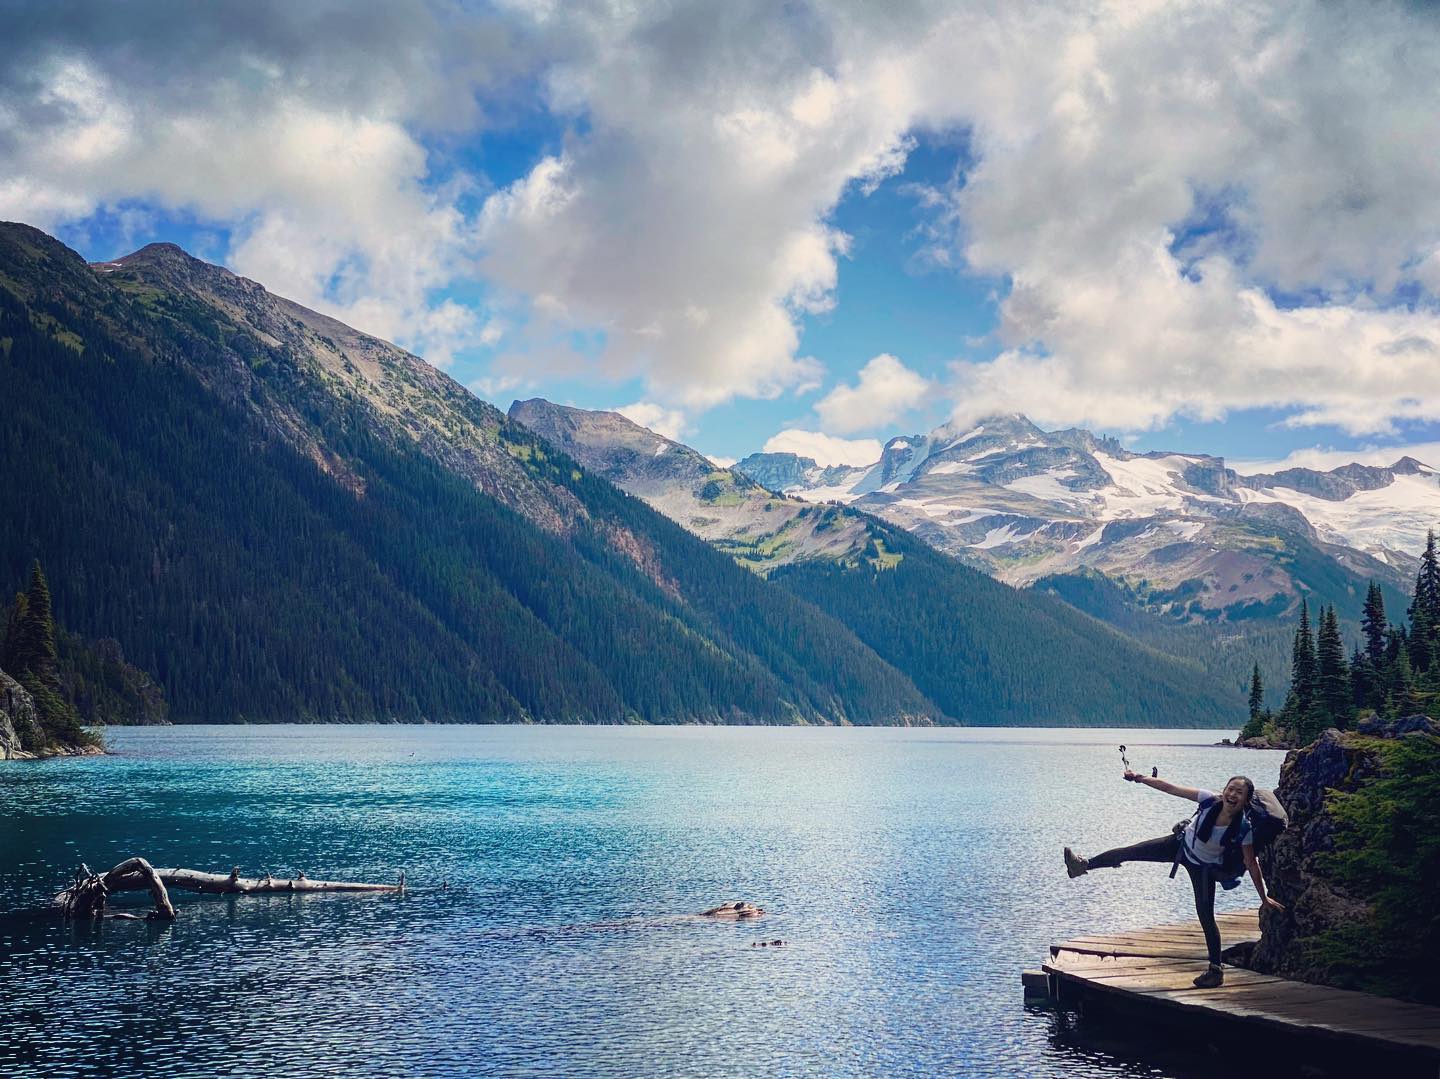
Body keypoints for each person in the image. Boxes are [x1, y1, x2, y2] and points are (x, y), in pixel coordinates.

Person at [1062, 772, 1285, 988]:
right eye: (1231, 789)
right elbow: (1170, 788)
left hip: (1203, 868)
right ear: (1224, 790)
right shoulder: (1209, 800)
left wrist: (1263, 897)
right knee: (1130, 852)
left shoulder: (1244, 828)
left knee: (1206, 916)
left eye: (1239, 793)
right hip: (1178, 846)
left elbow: (1251, 863)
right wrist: (1141, 778)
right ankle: (1083, 865)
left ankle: (1215, 971)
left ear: (1246, 800)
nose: (1233, 795)